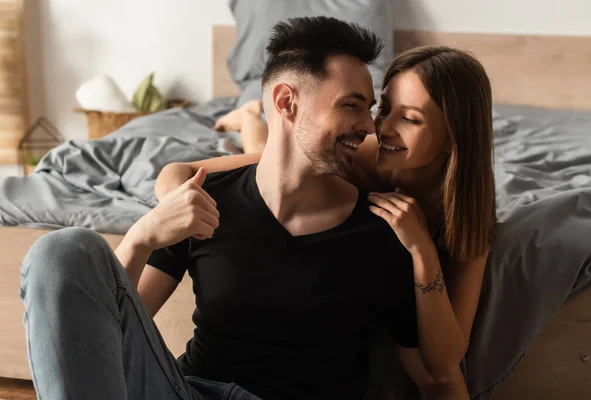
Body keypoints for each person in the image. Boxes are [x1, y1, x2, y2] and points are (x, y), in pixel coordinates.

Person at [20, 16, 423, 400]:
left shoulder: (381, 229)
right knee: (61, 251)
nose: (369, 127)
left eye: (368, 109)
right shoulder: (207, 198)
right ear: (286, 102)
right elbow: (107, 330)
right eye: (351, 105)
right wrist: (142, 236)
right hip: (187, 390)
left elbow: (435, 374)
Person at [156, 46, 497, 399]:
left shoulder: (466, 208)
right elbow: (183, 173)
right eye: (384, 108)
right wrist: (174, 220)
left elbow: (445, 363)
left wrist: (421, 250)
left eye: (409, 119)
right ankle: (248, 118)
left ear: (453, 136)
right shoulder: (362, 158)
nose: (380, 129)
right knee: (269, 147)